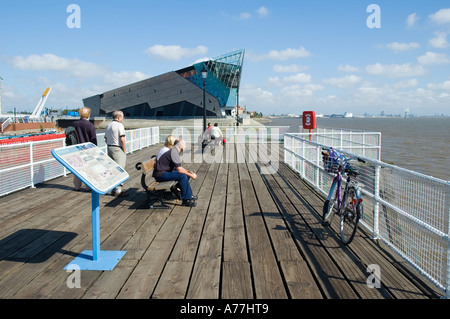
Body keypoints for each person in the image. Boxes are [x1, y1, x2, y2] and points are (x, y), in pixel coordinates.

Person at [153, 139, 198, 207]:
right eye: (185, 145)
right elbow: (179, 170)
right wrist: (192, 175)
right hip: (161, 174)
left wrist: (188, 172)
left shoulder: (174, 151)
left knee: (185, 174)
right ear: (180, 146)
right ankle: (186, 200)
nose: (186, 146)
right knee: (182, 176)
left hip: (165, 172)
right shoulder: (174, 153)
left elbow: (179, 167)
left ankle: (184, 193)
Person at [72, 107, 97, 191]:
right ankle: (88, 187)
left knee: (77, 168)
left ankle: (77, 186)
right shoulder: (90, 126)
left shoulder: (75, 124)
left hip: (76, 150)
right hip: (87, 151)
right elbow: (93, 140)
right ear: (88, 114)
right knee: (88, 169)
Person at [105, 110, 127, 196]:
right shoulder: (119, 125)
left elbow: (106, 139)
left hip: (109, 148)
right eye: (122, 117)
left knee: (112, 169)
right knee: (120, 170)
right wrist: (124, 151)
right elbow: (122, 139)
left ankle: (113, 189)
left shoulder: (108, 125)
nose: (123, 118)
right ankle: (118, 190)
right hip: (117, 149)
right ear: (118, 117)